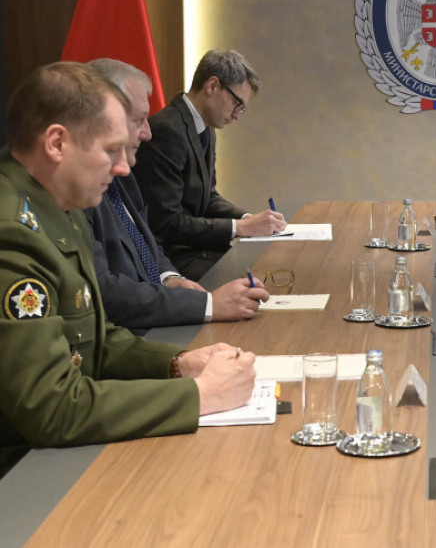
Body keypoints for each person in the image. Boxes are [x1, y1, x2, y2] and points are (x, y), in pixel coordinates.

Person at [0, 62, 256, 477]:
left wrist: (178, 364)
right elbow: (52, 410)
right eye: (110, 150)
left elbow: (91, 339)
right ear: (57, 143)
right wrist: (200, 396)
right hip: (23, 475)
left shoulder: (58, 205)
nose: (123, 167)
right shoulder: (13, 233)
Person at [84, 60, 269, 333]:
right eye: (138, 120)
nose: (147, 132)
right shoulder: (164, 131)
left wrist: (169, 277)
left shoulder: (121, 174)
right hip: (135, 322)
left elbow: (146, 238)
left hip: (155, 300)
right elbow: (164, 225)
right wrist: (207, 305)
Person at [133, 49, 286, 280]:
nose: (237, 116)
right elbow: (165, 223)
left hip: (196, 249)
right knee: (263, 278)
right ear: (212, 86)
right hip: (171, 259)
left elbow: (208, 197)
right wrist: (239, 228)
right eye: (237, 104)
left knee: (273, 265)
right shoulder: (166, 130)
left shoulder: (205, 128)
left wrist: (248, 219)